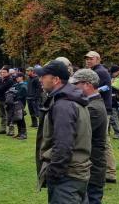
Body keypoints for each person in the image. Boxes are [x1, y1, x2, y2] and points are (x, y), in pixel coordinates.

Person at [35, 60, 91, 203]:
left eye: (44, 76)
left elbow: (63, 144)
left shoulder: (63, 105)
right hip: (75, 173)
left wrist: (54, 173)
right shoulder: (71, 99)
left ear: (55, 80)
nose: (40, 79)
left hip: (68, 177)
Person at [71, 69, 107, 204]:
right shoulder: (92, 104)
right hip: (91, 166)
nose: (73, 88)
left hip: (93, 167)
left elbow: (77, 134)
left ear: (87, 84)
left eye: (76, 84)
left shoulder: (94, 108)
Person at [85, 51, 116, 183]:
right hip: (100, 107)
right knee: (101, 139)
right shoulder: (96, 70)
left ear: (98, 59)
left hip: (102, 108)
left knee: (103, 141)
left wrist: (94, 92)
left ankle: (110, 172)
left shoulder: (101, 71)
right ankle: (106, 170)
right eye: (87, 59)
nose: (88, 61)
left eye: (91, 59)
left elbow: (107, 87)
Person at [6, 72, 28, 139]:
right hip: (14, 103)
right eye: (16, 77)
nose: (16, 78)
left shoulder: (24, 85)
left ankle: (24, 134)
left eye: (17, 77)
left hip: (20, 104)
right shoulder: (16, 85)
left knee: (21, 118)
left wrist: (14, 94)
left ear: (21, 77)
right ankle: (19, 133)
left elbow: (20, 95)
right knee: (17, 118)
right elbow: (10, 91)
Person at [0, 65, 14, 134]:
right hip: (0, 99)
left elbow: (2, 88)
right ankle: (3, 129)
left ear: (8, 73)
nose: (2, 73)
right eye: (1, 72)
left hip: (7, 99)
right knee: (2, 115)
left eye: (4, 72)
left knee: (9, 115)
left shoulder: (10, 80)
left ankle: (11, 130)